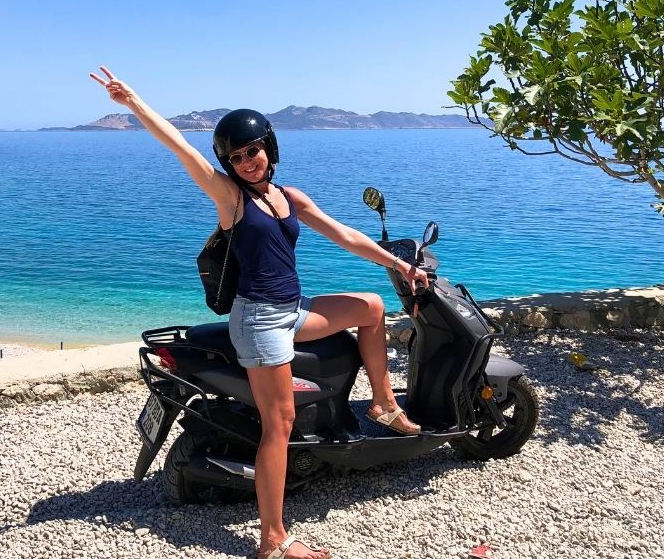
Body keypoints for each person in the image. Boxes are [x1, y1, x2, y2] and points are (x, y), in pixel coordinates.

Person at [90, 67, 429, 559]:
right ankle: (273, 538)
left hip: (293, 309)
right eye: (236, 156)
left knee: (372, 308)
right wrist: (136, 103)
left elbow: (346, 235)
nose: (247, 161)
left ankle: (382, 403)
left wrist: (398, 263)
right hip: (258, 321)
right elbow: (180, 149)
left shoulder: (290, 197)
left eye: (253, 150)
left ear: (269, 147)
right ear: (226, 163)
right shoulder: (230, 198)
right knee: (280, 423)